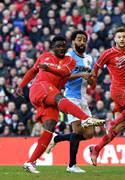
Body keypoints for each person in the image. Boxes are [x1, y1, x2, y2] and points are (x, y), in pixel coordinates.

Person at [16, 36, 105, 174]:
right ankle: (85, 118)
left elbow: (64, 72)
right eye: (58, 46)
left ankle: (30, 162)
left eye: (63, 46)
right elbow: (33, 71)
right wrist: (21, 85)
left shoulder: (70, 60)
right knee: (59, 96)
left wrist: (48, 69)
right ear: (52, 47)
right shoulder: (44, 57)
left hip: (49, 97)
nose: (61, 48)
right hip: (39, 88)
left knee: (49, 127)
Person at [45, 30, 101, 173]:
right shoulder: (68, 57)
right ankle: (71, 165)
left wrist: (93, 79)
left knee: (89, 134)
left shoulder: (89, 59)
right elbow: (61, 77)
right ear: (73, 42)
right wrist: (81, 74)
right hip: (71, 98)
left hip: (83, 99)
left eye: (84, 40)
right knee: (76, 131)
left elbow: (93, 84)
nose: (82, 42)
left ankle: (57, 139)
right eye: (79, 39)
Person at [89, 27, 125, 166]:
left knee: (117, 130)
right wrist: (94, 81)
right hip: (117, 88)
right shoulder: (108, 53)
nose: (121, 39)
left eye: (124, 36)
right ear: (114, 38)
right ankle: (111, 123)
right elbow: (96, 66)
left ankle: (95, 149)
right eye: (119, 37)